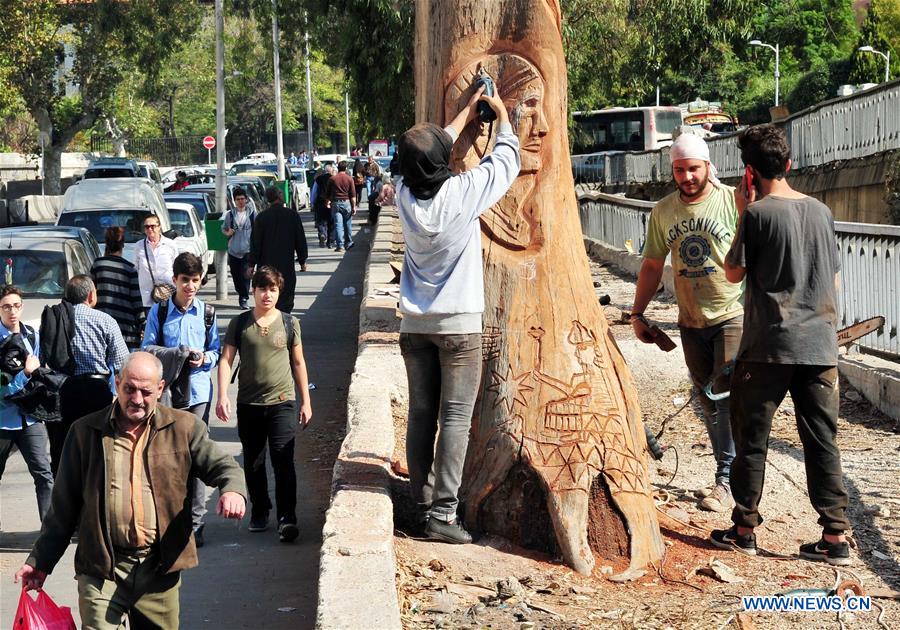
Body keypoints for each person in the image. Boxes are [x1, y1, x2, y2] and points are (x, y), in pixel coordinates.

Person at [15, 352, 246, 629]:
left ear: (160, 388)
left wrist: (231, 490)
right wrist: (40, 561)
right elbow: (63, 508)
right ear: (116, 383)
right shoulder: (85, 432)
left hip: (158, 569)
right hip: (102, 568)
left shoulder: (183, 428)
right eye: (129, 389)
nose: (137, 399)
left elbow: (224, 467)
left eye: (146, 391)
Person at [711, 124, 851, 565]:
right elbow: (833, 280)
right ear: (789, 164)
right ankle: (834, 538)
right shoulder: (822, 211)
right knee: (822, 440)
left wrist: (740, 212)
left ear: (749, 174)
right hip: (820, 345)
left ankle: (744, 528)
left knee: (752, 439)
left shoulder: (756, 214)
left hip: (768, 347)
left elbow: (733, 272)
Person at [397, 83, 519, 544]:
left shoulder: (403, 195)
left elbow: (429, 152)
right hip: (459, 326)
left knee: (421, 415)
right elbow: (506, 160)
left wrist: (467, 113)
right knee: (453, 418)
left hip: (414, 325)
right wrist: (500, 116)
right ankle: (444, 516)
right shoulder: (462, 194)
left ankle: (422, 504)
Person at [630, 132, 742, 513]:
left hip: (732, 314)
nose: (687, 176)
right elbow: (650, 265)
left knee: (725, 398)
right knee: (708, 402)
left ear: (708, 166)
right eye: (679, 170)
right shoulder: (663, 211)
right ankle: (729, 473)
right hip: (690, 321)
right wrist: (637, 313)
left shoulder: (732, 201)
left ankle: (727, 480)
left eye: (693, 168)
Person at [216, 267, 312, 543]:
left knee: (283, 460)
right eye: (262, 289)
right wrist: (223, 395)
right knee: (254, 463)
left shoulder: (290, 323)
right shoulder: (241, 323)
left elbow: (298, 362)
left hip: (282, 402)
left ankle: (287, 517)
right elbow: (226, 360)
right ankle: (259, 510)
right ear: (254, 291)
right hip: (249, 403)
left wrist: (306, 401)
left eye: (272, 289)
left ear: (278, 292)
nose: (267, 294)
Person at [142, 252, 220, 547]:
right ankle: (168, 521)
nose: (190, 286)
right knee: (168, 458)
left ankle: (196, 525)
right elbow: (147, 347)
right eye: (184, 280)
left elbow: (216, 350)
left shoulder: (207, 313)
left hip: (198, 393)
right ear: (174, 280)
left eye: (195, 280)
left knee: (195, 458)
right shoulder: (159, 312)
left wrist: (203, 358)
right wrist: (174, 355)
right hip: (168, 394)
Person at [44, 275, 129, 477]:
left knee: (65, 449)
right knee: (99, 447)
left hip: (62, 392)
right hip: (96, 392)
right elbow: (123, 362)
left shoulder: (54, 318)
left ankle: (66, 496)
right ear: (91, 295)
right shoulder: (105, 320)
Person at [0, 285, 53, 522]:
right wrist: (26, 374)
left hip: (31, 417)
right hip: (3, 419)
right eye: (6, 306)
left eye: (16, 306)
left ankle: (50, 533)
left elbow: (38, 368)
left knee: (44, 474)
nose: (12, 311)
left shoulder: (32, 334)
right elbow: (3, 389)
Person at [248, 187, 308, 314]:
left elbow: (255, 243)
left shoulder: (261, 218)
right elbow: (300, 240)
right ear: (280, 196)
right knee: (286, 299)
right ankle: (284, 323)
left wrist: (251, 265)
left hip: (266, 267)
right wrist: (302, 261)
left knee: (267, 296)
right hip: (286, 266)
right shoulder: (292, 215)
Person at [91, 227, 145, 349]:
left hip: (101, 327)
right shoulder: (129, 268)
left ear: (106, 243)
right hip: (126, 331)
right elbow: (136, 301)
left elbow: (91, 295)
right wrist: (143, 324)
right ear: (122, 245)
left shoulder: (98, 265)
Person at [134, 213, 180, 311]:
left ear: (159, 227)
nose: (150, 229)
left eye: (153, 226)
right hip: (147, 296)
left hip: (168, 293)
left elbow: (177, 268)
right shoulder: (139, 246)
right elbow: (136, 268)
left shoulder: (170, 244)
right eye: (147, 227)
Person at [222, 187, 256, 309]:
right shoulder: (230, 215)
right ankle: (240, 292)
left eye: (242, 199)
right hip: (233, 251)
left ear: (246, 200)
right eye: (238, 199)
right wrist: (228, 232)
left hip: (247, 251)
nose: (240, 201)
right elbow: (223, 229)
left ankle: (244, 298)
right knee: (236, 276)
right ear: (234, 201)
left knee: (246, 276)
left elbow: (258, 230)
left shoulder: (252, 214)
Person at [326, 161, 356, 253]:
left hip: (335, 203)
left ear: (338, 168)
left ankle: (340, 245)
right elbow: (353, 195)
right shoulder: (349, 179)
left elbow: (328, 193)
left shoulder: (332, 179)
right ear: (346, 168)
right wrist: (354, 206)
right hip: (346, 203)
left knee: (338, 225)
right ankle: (349, 243)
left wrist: (327, 202)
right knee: (347, 224)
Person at [310, 165, 335, 248]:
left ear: (324, 171)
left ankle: (322, 234)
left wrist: (312, 203)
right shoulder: (334, 179)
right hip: (331, 203)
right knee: (331, 222)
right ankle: (330, 241)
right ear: (331, 171)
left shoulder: (318, 179)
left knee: (321, 221)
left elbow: (314, 192)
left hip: (320, 203)